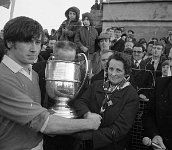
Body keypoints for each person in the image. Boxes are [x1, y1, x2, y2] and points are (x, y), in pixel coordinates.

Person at [0, 16, 101, 150]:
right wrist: (90, 123)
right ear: (9, 43)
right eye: (27, 42)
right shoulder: (3, 78)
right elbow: (44, 122)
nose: (34, 49)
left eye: (37, 42)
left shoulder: (33, 74)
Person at [73, 52, 139, 150]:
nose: (113, 74)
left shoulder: (131, 94)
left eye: (118, 70)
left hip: (112, 145)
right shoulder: (96, 85)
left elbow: (120, 129)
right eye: (111, 69)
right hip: (86, 144)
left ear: (126, 72)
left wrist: (91, 136)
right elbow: (80, 102)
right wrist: (87, 114)